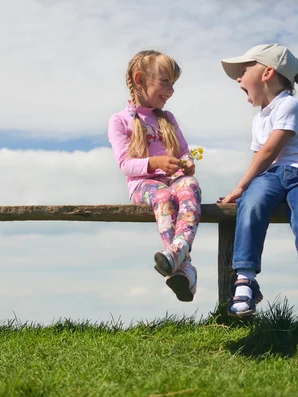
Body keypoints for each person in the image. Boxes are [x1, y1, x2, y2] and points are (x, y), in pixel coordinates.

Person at [219, 44, 298, 352]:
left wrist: (239, 187)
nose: (238, 79)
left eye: (244, 71)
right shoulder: (259, 118)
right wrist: (247, 192)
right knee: (253, 203)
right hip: (272, 177)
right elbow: (265, 161)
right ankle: (245, 279)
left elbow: (269, 151)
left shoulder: (290, 106)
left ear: (268, 72)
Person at [107, 50, 201, 302]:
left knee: (190, 185)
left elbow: (183, 151)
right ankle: (185, 267)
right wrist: (155, 163)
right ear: (140, 80)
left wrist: (187, 164)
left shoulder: (168, 119)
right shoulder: (120, 120)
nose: (170, 90)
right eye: (165, 81)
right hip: (144, 185)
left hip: (174, 180)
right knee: (163, 195)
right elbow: (126, 164)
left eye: (173, 83)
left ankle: (176, 253)